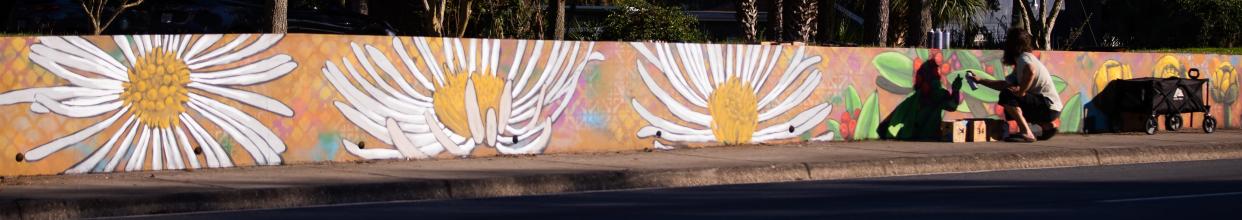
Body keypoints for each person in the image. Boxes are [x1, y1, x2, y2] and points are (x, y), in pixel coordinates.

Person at [967, 28, 1063, 142]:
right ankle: (1047, 127)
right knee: (1009, 93)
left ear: (1013, 45)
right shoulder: (1021, 63)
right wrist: (980, 80)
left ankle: (1026, 132)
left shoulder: (1024, 58)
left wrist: (1021, 91)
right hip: (1052, 109)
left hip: (1047, 107)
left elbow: (1031, 70)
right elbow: (1004, 85)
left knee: (1007, 96)